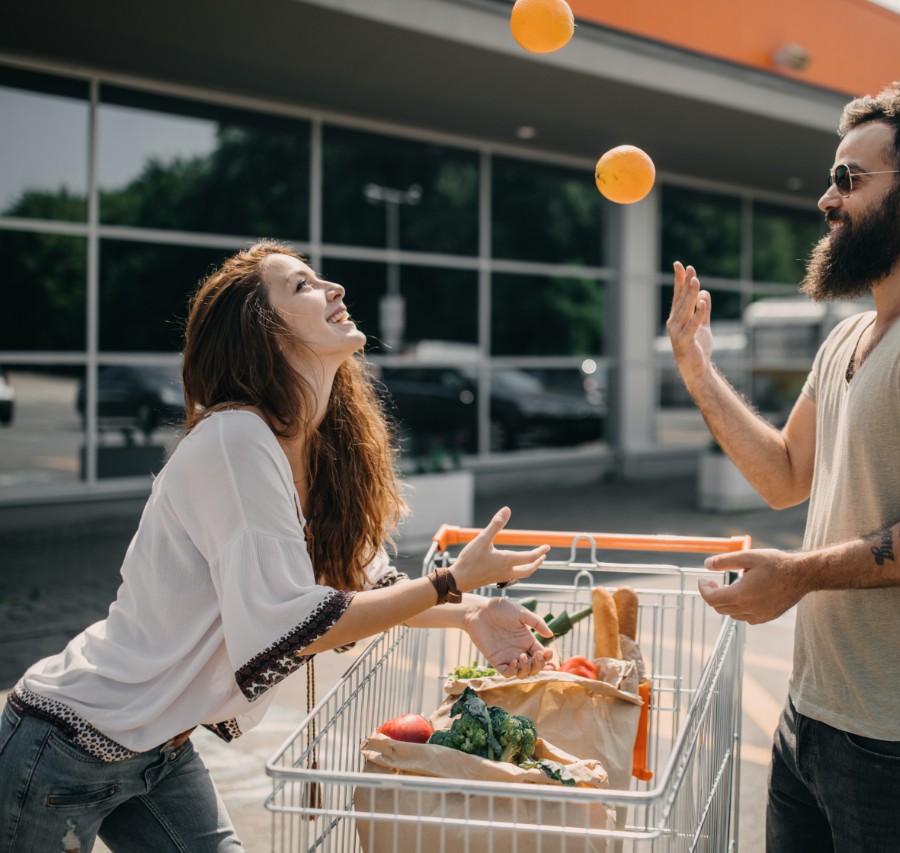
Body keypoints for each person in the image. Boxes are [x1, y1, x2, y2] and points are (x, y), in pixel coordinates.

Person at [0, 240, 554, 851]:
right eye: (302, 285)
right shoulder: (235, 440)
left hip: (160, 747)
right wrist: (452, 583)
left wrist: (472, 613)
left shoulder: (316, 452)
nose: (334, 289)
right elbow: (291, 625)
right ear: (260, 332)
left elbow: (364, 590)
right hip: (66, 744)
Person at [668, 76, 900, 852]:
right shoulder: (848, 339)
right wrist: (698, 371)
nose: (828, 201)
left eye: (849, 179)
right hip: (814, 717)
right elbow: (784, 472)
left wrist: (801, 573)